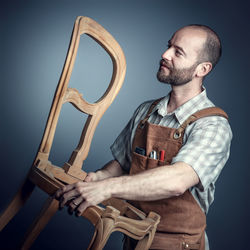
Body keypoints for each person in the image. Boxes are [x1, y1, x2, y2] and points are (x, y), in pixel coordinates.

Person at [55, 24, 232, 250]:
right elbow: (123, 163)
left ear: (202, 69)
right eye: (169, 46)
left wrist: (106, 188)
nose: (165, 54)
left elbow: (177, 180)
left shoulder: (213, 125)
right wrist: (98, 178)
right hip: (134, 236)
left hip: (178, 244)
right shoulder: (146, 111)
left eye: (178, 52)